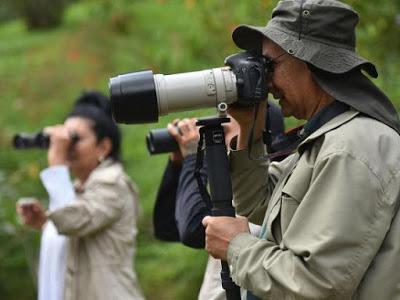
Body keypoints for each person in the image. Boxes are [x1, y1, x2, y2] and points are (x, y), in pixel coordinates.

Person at [202, 1, 400, 299]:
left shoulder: (351, 147)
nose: (265, 82)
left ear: (310, 60)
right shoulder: (326, 139)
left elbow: (316, 284)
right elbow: (257, 204)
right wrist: (250, 130)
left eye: (269, 65)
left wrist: (237, 247)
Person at [16, 91, 145, 300]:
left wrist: (56, 162)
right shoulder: (77, 189)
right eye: (64, 139)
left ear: (103, 146)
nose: (66, 147)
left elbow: (74, 220)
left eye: (74, 139)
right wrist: (45, 223)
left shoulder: (114, 184)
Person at [153, 101, 285, 300]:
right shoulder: (235, 196)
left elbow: (192, 229)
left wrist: (193, 158)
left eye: (222, 131)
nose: (214, 139)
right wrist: (178, 165)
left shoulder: (265, 200)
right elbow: (168, 227)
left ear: (259, 136)